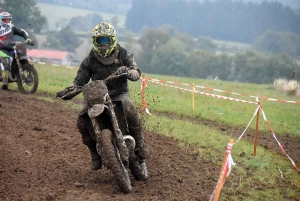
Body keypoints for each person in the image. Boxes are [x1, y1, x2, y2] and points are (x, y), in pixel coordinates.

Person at [56, 22, 150, 171]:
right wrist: (69, 92)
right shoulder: (89, 60)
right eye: (100, 40)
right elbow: (79, 81)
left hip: (120, 94)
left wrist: (127, 71)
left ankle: (140, 145)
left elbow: (136, 72)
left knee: (130, 109)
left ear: (112, 39)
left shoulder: (123, 53)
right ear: (95, 41)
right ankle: (94, 153)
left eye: (106, 40)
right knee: (82, 120)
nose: (103, 44)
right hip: (97, 96)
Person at [0, 11, 33, 90]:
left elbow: (22, 32)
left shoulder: (12, 27)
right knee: (5, 61)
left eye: (8, 19)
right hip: (1, 49)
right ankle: (5, 82)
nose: (7, 21)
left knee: (21, 54)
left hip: (11, 48)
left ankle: (20, 73)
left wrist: (27, 39)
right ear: (1, 20)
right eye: (5, 20)